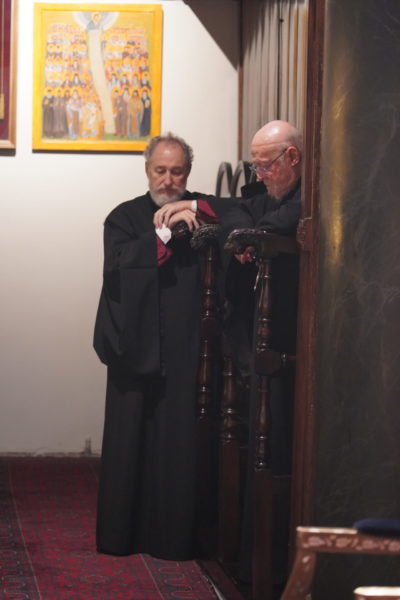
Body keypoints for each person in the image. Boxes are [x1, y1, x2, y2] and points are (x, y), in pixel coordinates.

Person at [153, 120, 302, 583]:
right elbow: (238, 210)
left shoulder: (308, 197)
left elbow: (277, 223)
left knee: (276, 451)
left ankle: (273, 568)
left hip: (289, 344)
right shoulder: (266, 193)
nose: (259, 175)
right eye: (254, 166)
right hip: (251, 342)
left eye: (266, 165)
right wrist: (229, 227)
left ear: (293, 157)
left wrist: (243, 232)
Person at [93, 132, 219, 560]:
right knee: (130, 441)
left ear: (188, 172)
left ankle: (175, 539)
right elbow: (117, 268)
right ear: (147, 170)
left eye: (177, 171)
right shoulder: (123, 217)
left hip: (186, 347)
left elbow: (232, 218)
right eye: (160, 170)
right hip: (134, 344)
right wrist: (162, 236)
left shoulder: (201, 208)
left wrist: (192, 213)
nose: (168, 180)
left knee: (178, 443)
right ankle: (122, 535)